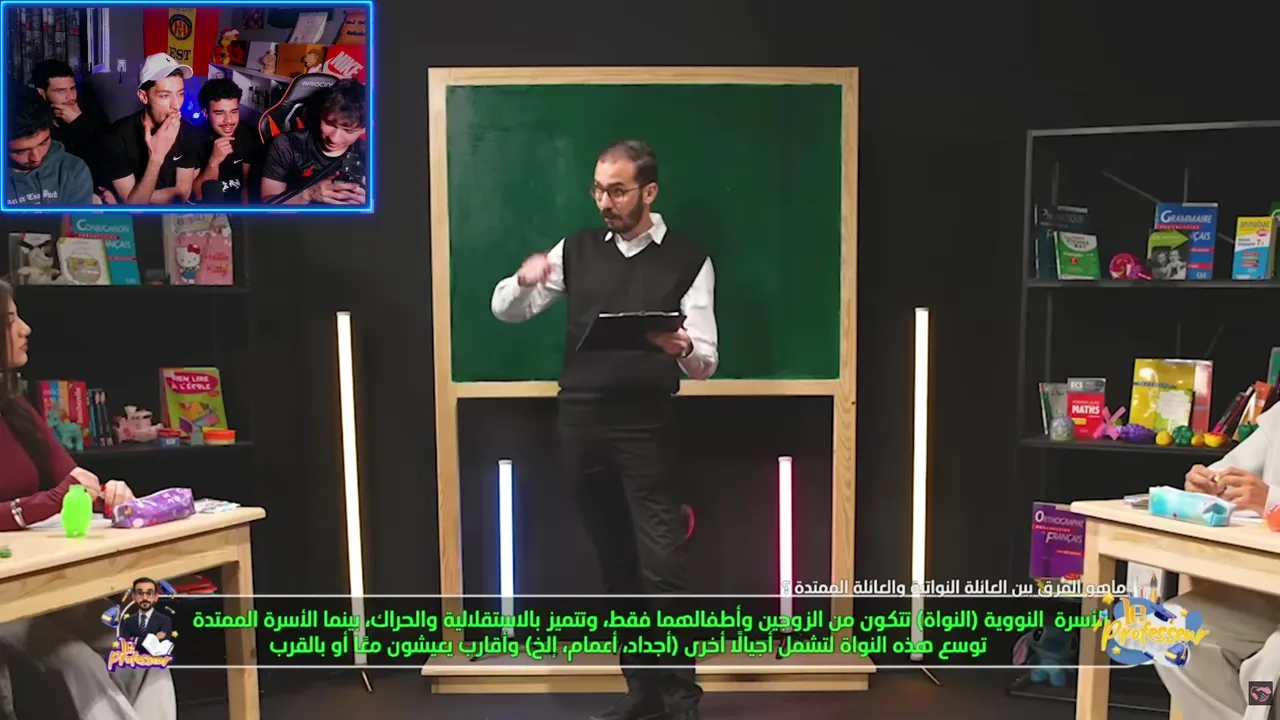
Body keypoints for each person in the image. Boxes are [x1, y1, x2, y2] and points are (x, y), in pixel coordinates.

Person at [490, 141, 717, 720]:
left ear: (649, 192)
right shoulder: (576, 250)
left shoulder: (688, 259)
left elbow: (707, 361)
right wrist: (523, 279)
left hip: (646, 425)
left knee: (662, 568)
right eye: (598, 189)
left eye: (617, 191)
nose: (604, 202)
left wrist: (681, 346)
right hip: (582, 421)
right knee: (616, 566)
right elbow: (507, 310)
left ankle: (681, 700)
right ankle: (642, 692)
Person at [0, 280, 175, 720]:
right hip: (5, 596)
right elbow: (53, 496)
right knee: (77, 661)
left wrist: (106, 494)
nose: (25, 329)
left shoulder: (13, 407)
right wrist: (46, 502)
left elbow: (71, 480)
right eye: (10, 320)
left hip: (44, 582)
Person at [1160, 408, 1280, 719]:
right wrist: (1205, 483)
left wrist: (1271, 500)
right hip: (1268, 590)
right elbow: (1228, 471)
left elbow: (1266, 496)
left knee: (1271, 665)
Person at [100, 53, 202, 205]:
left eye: (180, 94)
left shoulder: (188, 132)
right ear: (143, 96)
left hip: (173, 214)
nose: (176, 105)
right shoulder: (116, 137)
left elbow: (182, 194)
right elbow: (135, 208)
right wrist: (156, 158)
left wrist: (137, 196)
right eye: (165, 95)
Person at [260, 78, 367, 205]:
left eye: (348, 131)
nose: (334, 138)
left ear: (364, 129)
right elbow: (267, 208)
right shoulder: (286, 145)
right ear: (321, 115)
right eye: (329, 123)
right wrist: (309, 194)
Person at [5, 87, 94, 207]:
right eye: (21, 152)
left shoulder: (72, 170)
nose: (36, 157)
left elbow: (76, 218)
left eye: (43, 143)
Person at [29, 59, 108, 180]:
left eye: (72, 88)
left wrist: (79, 122)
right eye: (60, 91)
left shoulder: (93, 113)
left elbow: (109, 155)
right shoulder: (34, 121)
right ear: (41, 93)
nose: (71, 97)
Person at [193, 78, 261, 203]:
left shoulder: (248, 134)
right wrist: (214, 162)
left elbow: (247, 187)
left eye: (234, 112)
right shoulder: (194, 138)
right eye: (220, 113)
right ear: (205, 113)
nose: (229, 120)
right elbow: (197, 196)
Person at [118, 578, 173, 653]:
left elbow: (160, 648)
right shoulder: (128, 621)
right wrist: (155, 638)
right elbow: (124, 645)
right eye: (140, 593)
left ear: (156, 597)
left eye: (149, 594)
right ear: (134, 597)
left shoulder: (164, 620)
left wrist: (135, 639)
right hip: (132, 659)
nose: (144, 598)